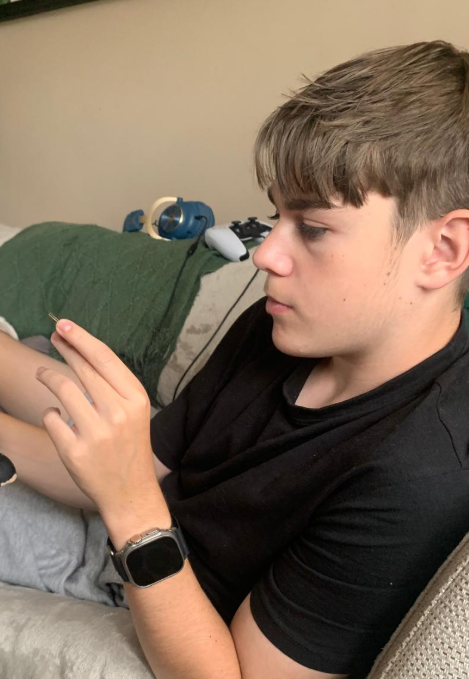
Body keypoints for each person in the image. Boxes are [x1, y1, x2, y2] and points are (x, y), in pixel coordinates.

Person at [1, 38, 469, 679]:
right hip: (137, 513)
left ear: (443, 251)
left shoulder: (419, 477)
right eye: (278, 216)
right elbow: (147, 459)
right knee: (29, 354)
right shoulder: (285, 325)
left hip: (155, 590)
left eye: (312, 227)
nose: (266, 254)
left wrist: (131, 505)